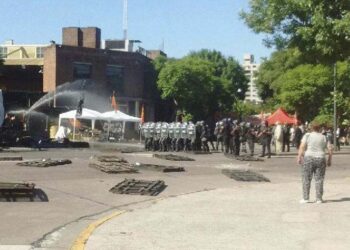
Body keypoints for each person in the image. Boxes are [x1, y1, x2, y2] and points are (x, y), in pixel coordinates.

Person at [297, 122, 333, 204]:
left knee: (306, 178)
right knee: (319, 179)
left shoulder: (307, 135)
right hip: (321, 158)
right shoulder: (324, 137)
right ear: (319, 128)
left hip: (308, 157)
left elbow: (302, 146)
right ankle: (319, 198)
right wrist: (329, 159)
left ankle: (306, 198)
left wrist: (299, 156)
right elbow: (330, 149)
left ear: (311, 128)